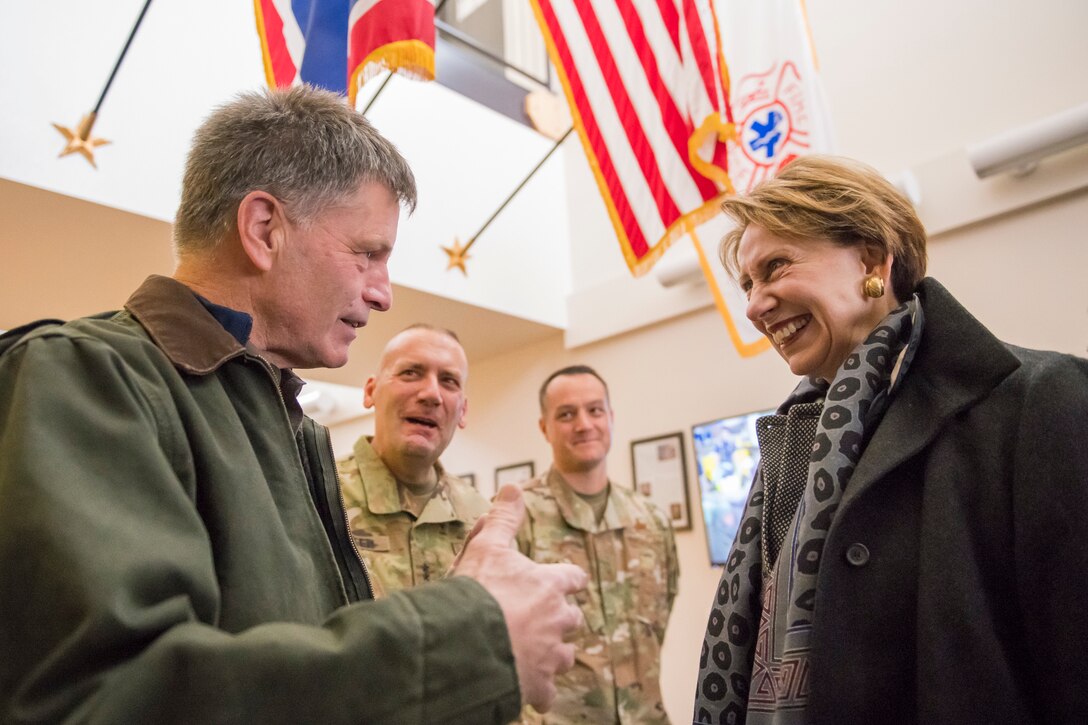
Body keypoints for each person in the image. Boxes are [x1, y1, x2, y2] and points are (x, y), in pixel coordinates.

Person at [0, 85, 586, 724]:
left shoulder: (289, 427)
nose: (383, 294)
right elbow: (107, 700)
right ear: (263, 229)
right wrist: (473, 634)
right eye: (367, 254)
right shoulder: (82, 375)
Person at [692, 155, 1088, 724]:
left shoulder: (1040, 400)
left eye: (776, 267)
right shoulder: (790, 443)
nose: (753, 306)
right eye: (748, 284)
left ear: (872, 260)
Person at [516, 365, 679, 724]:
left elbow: (660, 618)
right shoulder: (518, 518)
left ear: (611, 418)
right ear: (544, 427)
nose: (584, 424)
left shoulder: (651, 520)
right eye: (566, 414)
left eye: (594, 410)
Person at [338, 324, 489, 597]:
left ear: (462, 411)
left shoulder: (480, 516)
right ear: (371, 391)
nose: (432, 394)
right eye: (410, 373)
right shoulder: (318, 497)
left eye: (449, 381)